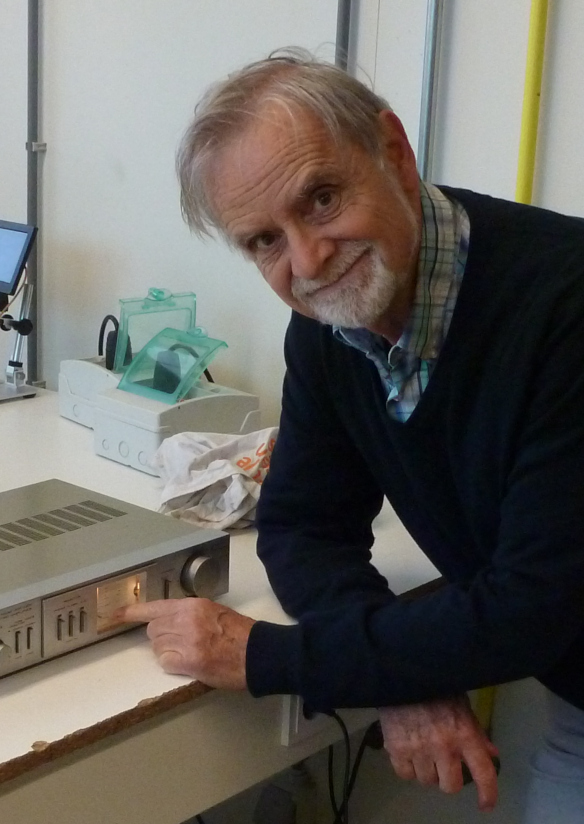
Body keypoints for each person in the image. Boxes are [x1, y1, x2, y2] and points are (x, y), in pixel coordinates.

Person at [114, 48, 584, 820]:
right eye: (264, 241)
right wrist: (394, 673)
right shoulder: (329, 329)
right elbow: (302, 526)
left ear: (393, 153)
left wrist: (266, 656)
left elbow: (532, 609)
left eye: (323, 199)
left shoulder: (565, 303)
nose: (307, 260)